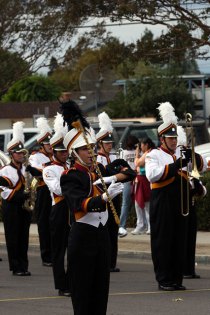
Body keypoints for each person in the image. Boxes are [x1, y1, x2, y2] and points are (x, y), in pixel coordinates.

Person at [59, 99, 136, 315]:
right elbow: (79, 204)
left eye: (93, 147)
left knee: (101, 293)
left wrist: (111, 179)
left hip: (102, 236)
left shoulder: (99, 170)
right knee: (83, 295)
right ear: (74, 153)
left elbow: (130, 172)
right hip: (83, 237)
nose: (91, 152)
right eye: (85, 149)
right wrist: (103, 197)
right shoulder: (70, 177)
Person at [145, 102, 206, 291]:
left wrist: (192, 156)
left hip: (180, 203)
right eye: (169, 138)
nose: (173, 141)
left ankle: (177, 279)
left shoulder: (180, 152)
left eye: (174, 138)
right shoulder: (153, 154)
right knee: (163, 241)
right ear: (161, 139)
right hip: (163, 202)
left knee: (179, 241)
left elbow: (200, 167)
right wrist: (177, 164)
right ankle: (164, 279)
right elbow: (152, 175)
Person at [43, 113, 70, 297]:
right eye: (61, 151)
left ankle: (74, 280)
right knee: (59, 250)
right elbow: (59, 189)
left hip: (73, 208)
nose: (64, 154)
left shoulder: (70, 165)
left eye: (66, 151)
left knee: (75, 248)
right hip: (59, 209)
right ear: (54, 151)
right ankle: (62, 285)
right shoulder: (49, 169)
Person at [0, 121, 31, 276]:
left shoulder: (26, 168)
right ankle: (15, 267)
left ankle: (24, 266)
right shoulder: (5, 171)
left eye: (22, 153)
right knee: (13, 237)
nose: (21, 155)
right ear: (11, 154)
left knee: (23, 237)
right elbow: (4, 192)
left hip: (24, 207)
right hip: (11, 207)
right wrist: (22, 195)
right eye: (18, 153)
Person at [176, 126, 207, 279]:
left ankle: (189, 269)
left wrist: (192, 154)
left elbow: (203, 167)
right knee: (180, 239)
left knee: (190, 238)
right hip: (177, 204)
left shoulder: (189, 156)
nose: (183, 149)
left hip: (190, 203)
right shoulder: (171, 158)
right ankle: (181, 269)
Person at [95, 112, 121, 272]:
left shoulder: (113, 157)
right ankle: (106, 260)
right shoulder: (98, 159)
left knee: (114, 229)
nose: (110, 145)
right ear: (100, 143)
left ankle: (112, 261)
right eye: (107, 143)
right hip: (104, 196)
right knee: (106, 229)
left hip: (115, 195)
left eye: (111, 142)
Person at [28, 117, 53, 266]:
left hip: (54, 191)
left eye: (50, 143)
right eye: (47, 143)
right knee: (44, 224)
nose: (50, 146)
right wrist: (49, 170)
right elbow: (36, 172)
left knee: (56, 224)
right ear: (41, 145)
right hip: (43, 191)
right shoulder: (35, 156)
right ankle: (46, 256)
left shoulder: (55, 156)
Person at [131, 137, 156, 235]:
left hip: (145, 180)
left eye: (141, 144)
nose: (140, 147)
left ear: (146, 145)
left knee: (146, 205)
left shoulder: (149, 153)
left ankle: (149, 226)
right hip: (140, 180)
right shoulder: (146, 153)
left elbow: (137, 163)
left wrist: (136, 153)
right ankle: (141, 225)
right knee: (138, 204)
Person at [118, 135, 139, 238]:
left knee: (125, 203)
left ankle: (122, 225)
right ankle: (139, 225)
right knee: (138, 203)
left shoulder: (123, 153)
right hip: (136, 177)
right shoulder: (137, 152)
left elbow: (121, 166)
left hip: (127, 178)